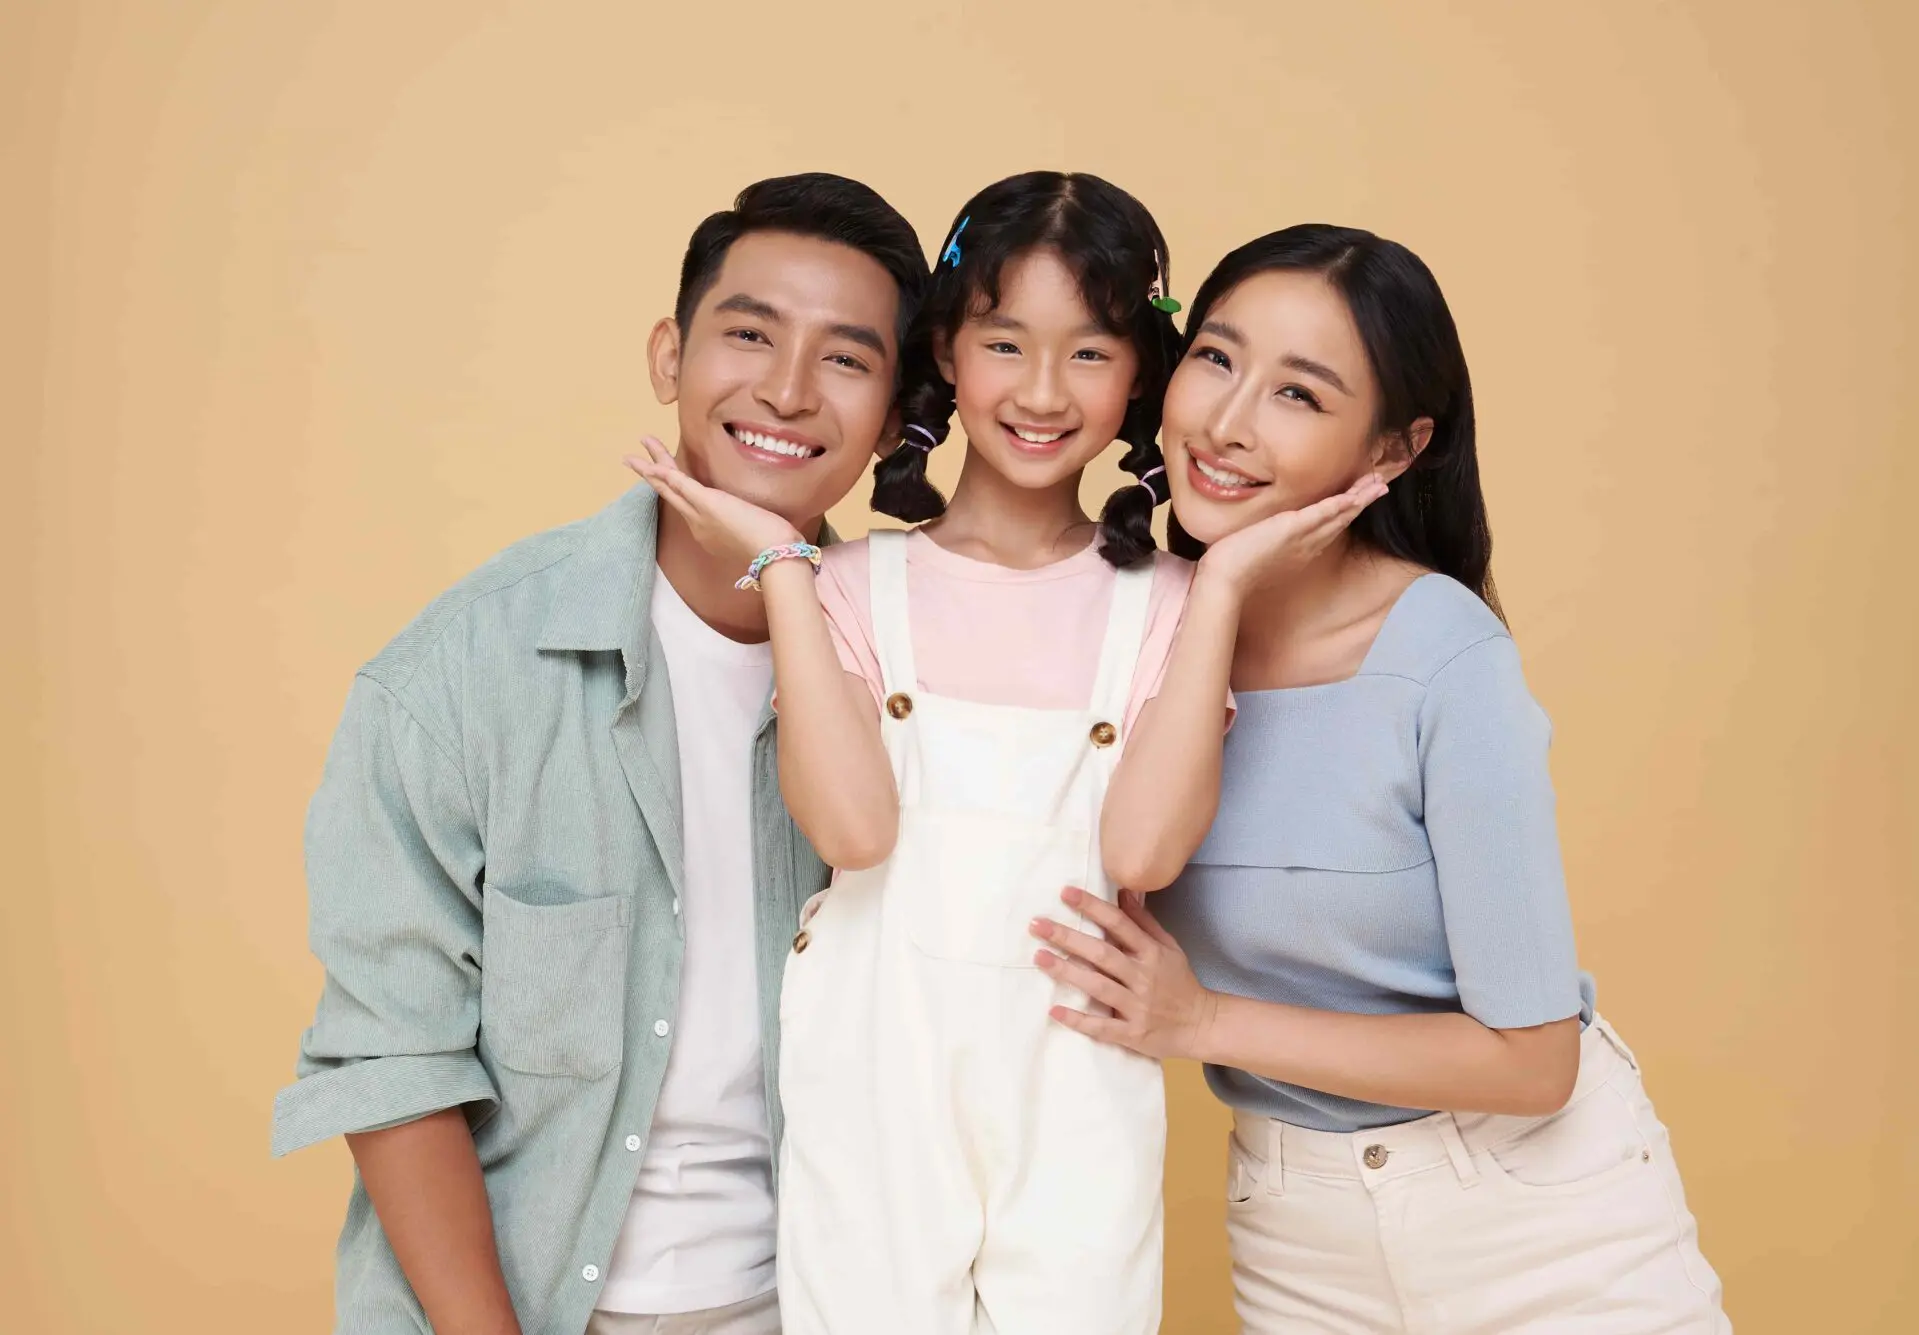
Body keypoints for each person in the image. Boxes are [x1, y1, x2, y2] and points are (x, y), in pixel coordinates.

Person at [628, 172, 1380, 1335]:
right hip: (872, 1086)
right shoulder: (844, 588)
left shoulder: (1172, 609)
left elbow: (1140, 848)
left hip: (1075, 1089)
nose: (1040, 393)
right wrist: (782, 564)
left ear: (1140, 373)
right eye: (1003, 342)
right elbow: (854, 833)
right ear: (946, 350)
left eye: (1088, 353)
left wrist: (1222, 586)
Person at [1033, 224, 1731, 1333]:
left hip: (1533, 1216)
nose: (1223, 422)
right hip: (1292, 1223)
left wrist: (1202, 1019)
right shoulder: (1136, 625)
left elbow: (1533, 1059)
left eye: (1298, 396)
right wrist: (1211, 599)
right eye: (1215, 360)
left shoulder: (1441, 655)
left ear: (1392, 452)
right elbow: (1126, 860)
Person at [271, 173, 929, 1335]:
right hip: (516, 1308)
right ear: (669, 357)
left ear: (892, 411)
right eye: (748, 333)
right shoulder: (458, 676)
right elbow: (392, 1065)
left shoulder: (923, 678)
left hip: (820, 1302)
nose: (785, 388)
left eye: (845, 358)